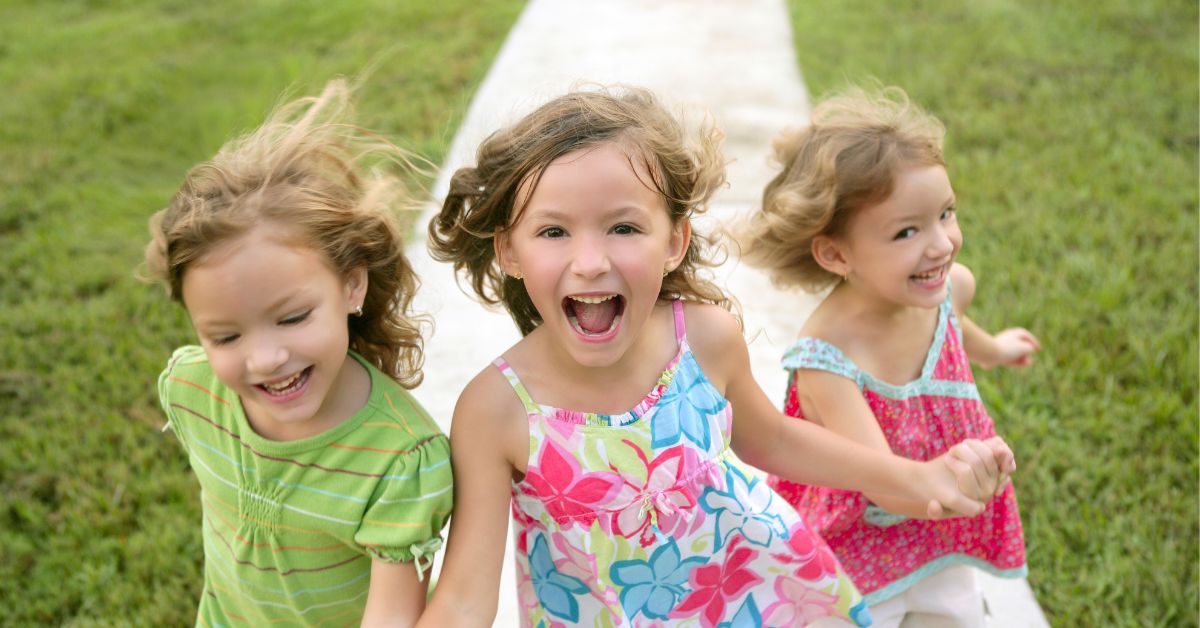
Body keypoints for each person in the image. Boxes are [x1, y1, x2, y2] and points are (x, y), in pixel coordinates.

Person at [418, 85, 1014, 627]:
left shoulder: (701, 339)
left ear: (674, 241)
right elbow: (467, 598)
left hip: (758, 598)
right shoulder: (495, 410)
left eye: (624, 228)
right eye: (553, 232)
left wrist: (918, 477)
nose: (591, 261)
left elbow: (773, 440)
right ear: (509, 252)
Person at [143, 79, 452, 626]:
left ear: (351, 286)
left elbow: (392, 617)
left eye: (291, 318)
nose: (264, 359)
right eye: (225, 336)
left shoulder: (400, 461)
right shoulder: (191, 391)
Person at [738, 85, 1037, 626]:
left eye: (945, 214)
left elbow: (958, 326)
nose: (941, 244)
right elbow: (883, 483)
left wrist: (994, 350)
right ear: (835, 253)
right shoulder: (826, 359)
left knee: (949, 613)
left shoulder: (949, 288)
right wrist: (959, 480)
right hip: (859, 542)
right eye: (906, 231)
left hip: (933, 531)